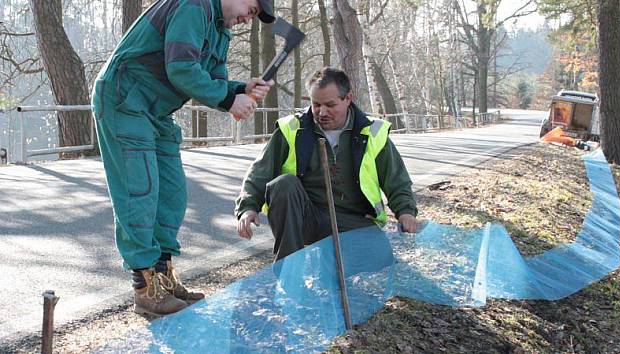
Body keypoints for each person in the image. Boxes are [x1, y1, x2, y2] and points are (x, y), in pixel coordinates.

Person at [91, 0, 275, 316]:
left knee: (173, 194)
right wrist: (230, 100)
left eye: (254, 16)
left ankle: (163, 276)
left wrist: (240, 88)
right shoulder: (194, 6)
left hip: (157, 111)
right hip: (125, 100)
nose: (247, 19)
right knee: (140, 193)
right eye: (251, 9)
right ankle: (145, 288)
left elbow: (209, 80)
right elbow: (181, 69)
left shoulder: (220, 30)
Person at [235, 67, 418, 261]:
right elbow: (260, 172)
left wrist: (405, 212)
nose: (322, 112)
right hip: (307, 218)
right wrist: (248, 208)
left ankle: (330, 261)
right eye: (316, 105)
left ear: (348, 98)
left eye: (330, 105)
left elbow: (397, 179)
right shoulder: (291, 129)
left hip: (354, 221)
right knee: (283, 184)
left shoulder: (373, 132)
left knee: (379, 258)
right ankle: (290, 272)